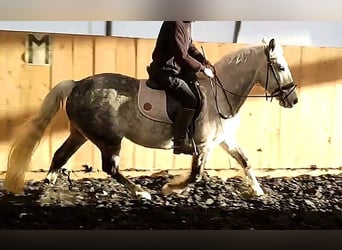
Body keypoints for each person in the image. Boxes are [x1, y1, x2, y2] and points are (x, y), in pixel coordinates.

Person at [147, 21, 215, 155]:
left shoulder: (186, 23)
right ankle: (180, 142)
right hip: (165, 71)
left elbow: (189, 45)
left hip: (177, 71)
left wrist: (202, 60)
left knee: (198, 93)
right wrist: (201, 68)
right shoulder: (175, 23)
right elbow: (181, 55)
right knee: (191, 100)